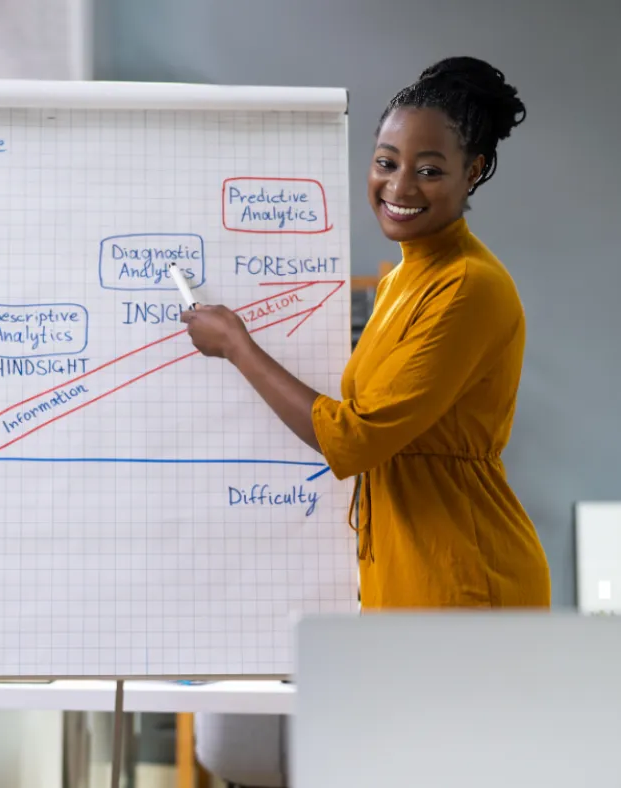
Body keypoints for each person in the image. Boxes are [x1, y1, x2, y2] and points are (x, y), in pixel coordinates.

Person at [180, 56, 551, 609]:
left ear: (472, 171)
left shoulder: (468, 286)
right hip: (405, 571)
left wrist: (237, 345)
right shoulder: (402, 278)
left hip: (463, 579)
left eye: (428, 169)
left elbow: (355, 440)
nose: (399, 185)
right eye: (386, 161)